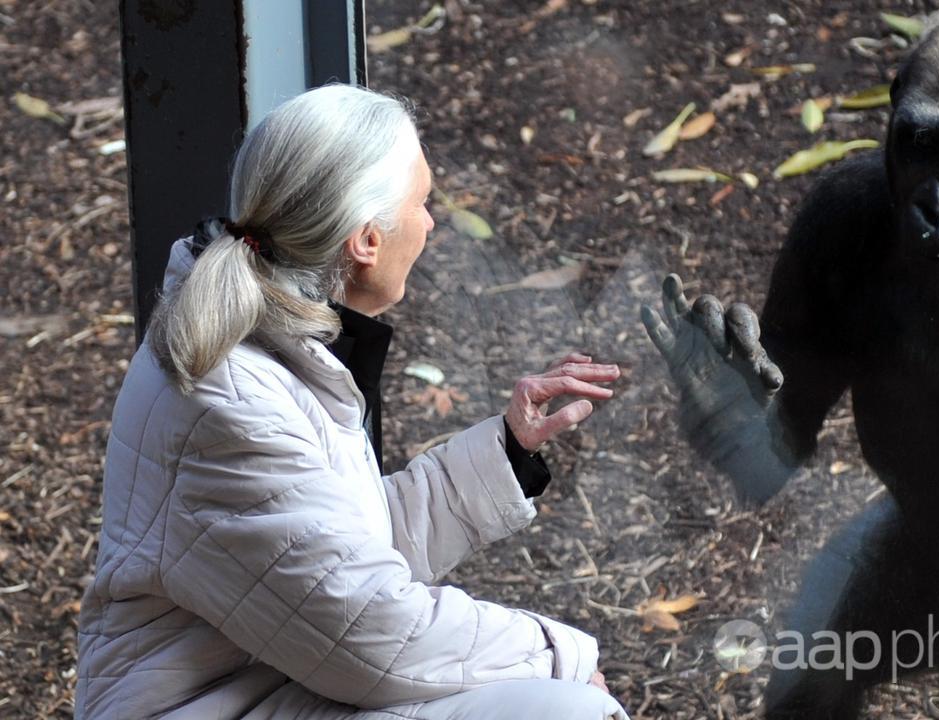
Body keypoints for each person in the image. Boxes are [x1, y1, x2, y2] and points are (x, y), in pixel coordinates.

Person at [75, 84, 629, 720]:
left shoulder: (268, 340)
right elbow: (371, 633)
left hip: (265, 678)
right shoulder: (230, 403)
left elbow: (330, 552)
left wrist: (506, 448)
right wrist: (563, 656)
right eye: (421, 203)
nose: (430, 222)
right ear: (366, 240)